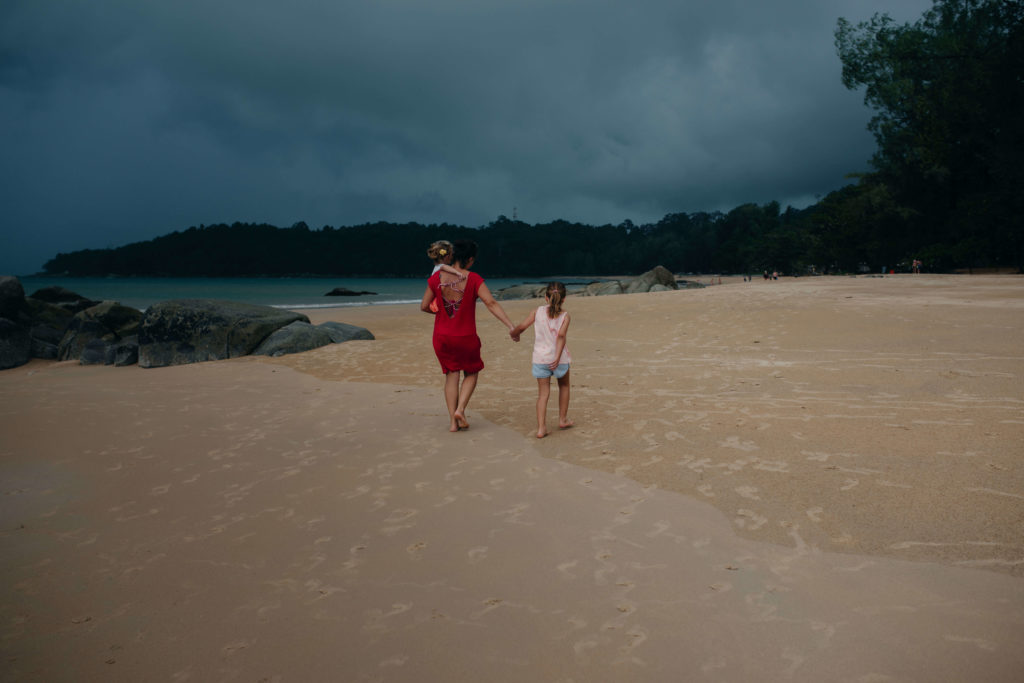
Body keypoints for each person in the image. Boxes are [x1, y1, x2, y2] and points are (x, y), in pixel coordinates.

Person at [421, 240, 516, 432]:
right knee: (472, 371)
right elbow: (491, 303)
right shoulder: (473, 279)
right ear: (470, 259)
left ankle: (453, 423)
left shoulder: (436, 278)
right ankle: (461, 409)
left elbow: (424, 306)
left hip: (442, 336)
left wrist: (439, 313)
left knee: (451, 375)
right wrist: (510, 326)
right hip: (465, 336)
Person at [510, 282, 574, 438]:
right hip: (560, 359)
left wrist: (514, 333)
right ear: (564, 299)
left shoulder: (537, 312)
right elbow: (561, 336)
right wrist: (558, 356)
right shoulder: (565, 316)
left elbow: (523, 326)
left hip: (540, 359)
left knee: (543, 394)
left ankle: (541, 428)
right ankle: (563, 419)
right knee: (564, 386)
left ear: (546, 297)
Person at [426, 240, 463, 313]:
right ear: (447, 256)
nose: (452, 257)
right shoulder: (442, 267)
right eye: (452, 254)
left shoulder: (436, 268)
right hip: (441, 301)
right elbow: (444, 267)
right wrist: (458, 273)